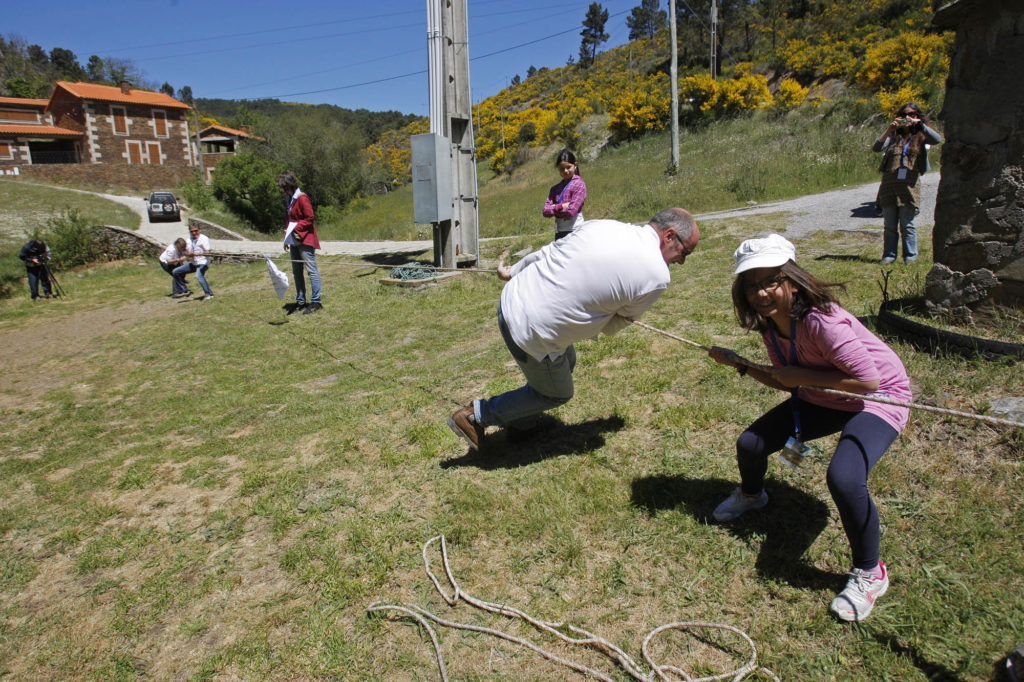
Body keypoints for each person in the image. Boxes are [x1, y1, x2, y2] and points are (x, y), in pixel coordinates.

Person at [707, 233, 912, 623]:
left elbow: (867, 381)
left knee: (846, 478)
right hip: (825, 395)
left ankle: (871, 572)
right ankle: (753, 496)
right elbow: (786, 380)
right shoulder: (771, 326)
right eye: (751, 286)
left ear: (792, 279)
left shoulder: (822, 322)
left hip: (878, 397)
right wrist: (739, 363)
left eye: (770, 281)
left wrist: (801, 374)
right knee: (750, 444)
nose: (761, 293)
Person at [447, 208, 700, 451]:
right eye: (685, 252)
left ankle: (523, 423)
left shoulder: (605, 225)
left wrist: (514, 271)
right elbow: (615, 325)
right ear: (668, 235)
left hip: (509, 301)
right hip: (530, 331)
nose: (682, 262)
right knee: (557, 393)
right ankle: (475, 416)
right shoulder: (657, 275)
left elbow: (548, 252)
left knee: (567, 361)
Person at [872, 102, 942, 264]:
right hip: (889, 184)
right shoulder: (893, 136)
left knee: (907, 224)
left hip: (909, 185)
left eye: (911, 114)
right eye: (903, 115)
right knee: (889, 224)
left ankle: (910, 256)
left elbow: (937, 139)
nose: (907, 118)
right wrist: (889, 129)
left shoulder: (921, 135)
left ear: (917, 116)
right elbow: (876, 147)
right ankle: (889, 255)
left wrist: (920, 125)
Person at [278, 172, 322, 315]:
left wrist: (296, 227)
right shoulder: (288, 198)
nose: (285, 192)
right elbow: (289, 218)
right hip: (294, 240)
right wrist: (286, 237)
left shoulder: (302, 198)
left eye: (286, 189)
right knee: (297, 272)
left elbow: (310, 218)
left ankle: (316, 301)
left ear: (291, 186)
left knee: (311, 270)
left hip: (305, 238)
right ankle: (301, 301)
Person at [542, 149, 587, 240]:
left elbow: (571, 211)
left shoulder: (579, 185)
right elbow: (545, 211)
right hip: (559, 232)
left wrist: (554, 207)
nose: (565, 171)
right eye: (562, 168)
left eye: (568, 167)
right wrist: (562, 206)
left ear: (575, 165)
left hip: (575, 230)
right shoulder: (555, 189)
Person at [173, 224, 214, 301]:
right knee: (175, 272)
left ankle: (209, 294)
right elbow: (189, 252)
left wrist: (199, 253)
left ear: (199, 230)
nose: (194, 233)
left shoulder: (204, 238)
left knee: (198, 275)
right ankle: (184, 290)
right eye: (192, 231)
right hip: (194, 263)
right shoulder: (189, 240)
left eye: (196, 231)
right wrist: (193, 254)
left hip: (203, 262)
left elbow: (207, 252)